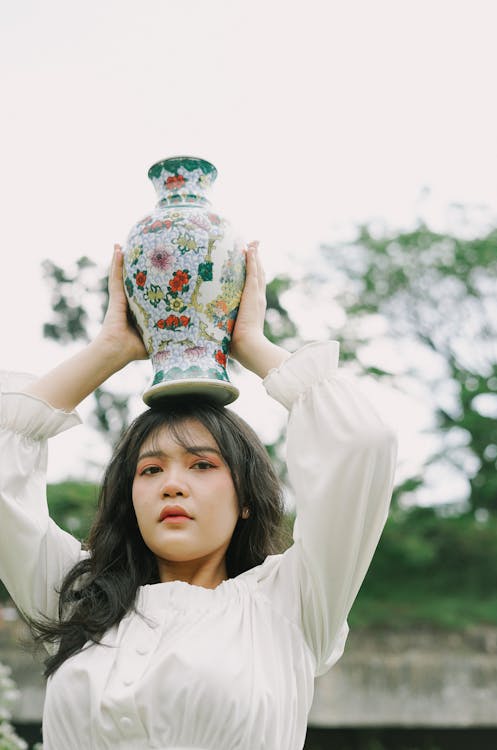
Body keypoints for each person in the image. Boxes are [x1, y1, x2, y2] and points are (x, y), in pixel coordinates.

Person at [0, 242, 397, 750]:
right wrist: (110, 349)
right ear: (131, 498)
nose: (172, 483)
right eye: (150, 469)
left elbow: (363, 443)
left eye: (203, 465)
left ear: (246, 497)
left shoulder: (291, 601)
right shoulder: (78, 596)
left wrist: (249, 342)